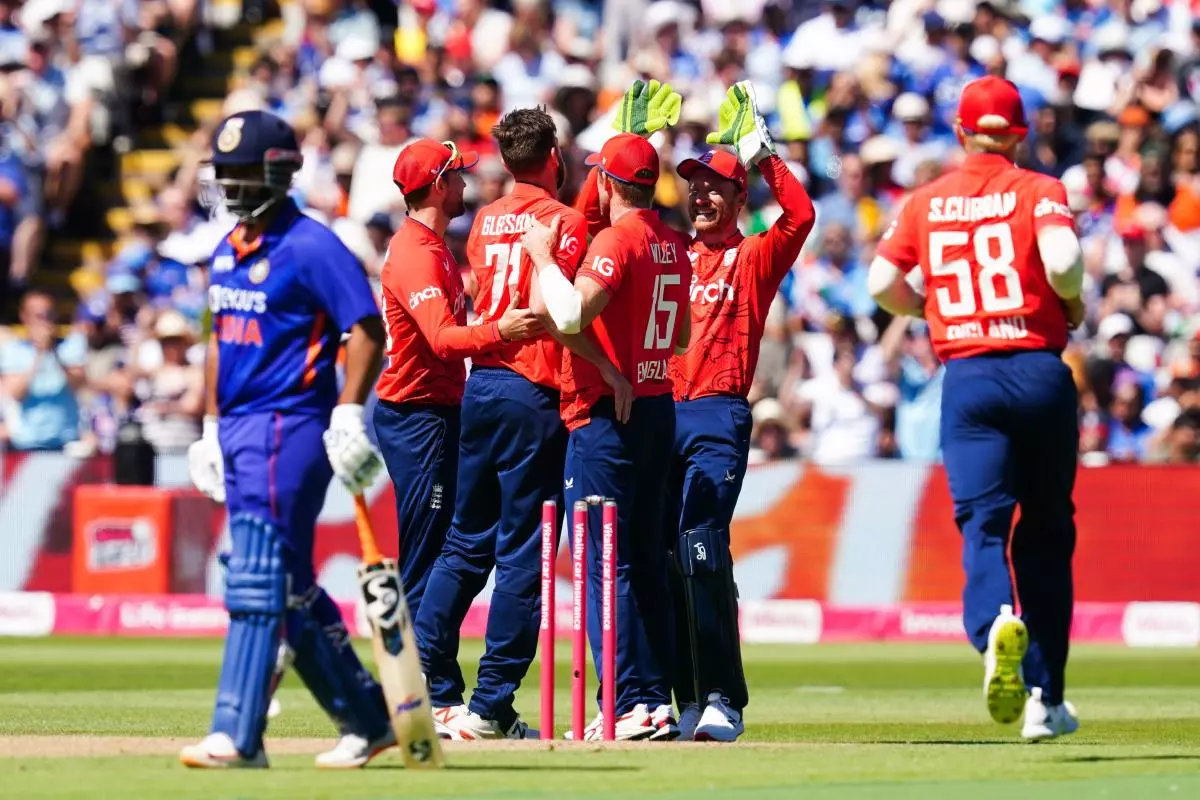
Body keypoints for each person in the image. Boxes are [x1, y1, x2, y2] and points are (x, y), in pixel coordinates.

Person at [868, 76, 1084, 742]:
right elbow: (1067, 261)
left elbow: (881, 284)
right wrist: (1069, 303)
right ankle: (1045, 700)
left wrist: (929, 308)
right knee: (1046, 532)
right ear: (1020, 134)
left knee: (982, 528)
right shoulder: (1040, 190)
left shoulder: (928, 200)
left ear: (961, 133)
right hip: (1038, 368)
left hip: (967, 377)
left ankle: (993, 627)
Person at [180, 110, 394, 769]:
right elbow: (219, 342)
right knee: (290, 582)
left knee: (256, 572)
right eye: (226, 175)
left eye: (245, 173)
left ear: (279, 171)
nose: (234, 187)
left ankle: (237, 734)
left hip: (291, 423)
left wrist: (349, 412)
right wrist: (211, 426)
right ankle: (368, 717)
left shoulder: (311, 245)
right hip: (240, 427)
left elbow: (366, 327)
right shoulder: (223, 250)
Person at [415, 108, 626, 740]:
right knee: (522, 555)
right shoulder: (559, 222)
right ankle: (490, 705)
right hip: (534, 392)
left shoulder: (483, 219)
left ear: (506, 161)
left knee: (463, 540)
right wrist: (608, 367)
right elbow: (549, 311)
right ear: (554, 156)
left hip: (482, 386)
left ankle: (425, 680)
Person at [521, 130, 692, 741]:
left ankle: (622, 703)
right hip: (656, 409)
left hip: (607, 421)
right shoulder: (673, 242)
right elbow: (678, 339)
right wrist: (628, 360)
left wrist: (542, 259)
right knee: (644, 560)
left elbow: (568, 314)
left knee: (603, 565)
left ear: (612, 183)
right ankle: (652, 700)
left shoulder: (616, 241)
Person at [662, 81, 815, 741]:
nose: (702, 194)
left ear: (738, 198)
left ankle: (724, 696)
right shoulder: (667, 254)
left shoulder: (753, 256)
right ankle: (685, 697)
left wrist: (761, 155)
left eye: (716, 186)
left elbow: (801, 215)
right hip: (660, 416)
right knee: (671, 559)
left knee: (699, 544)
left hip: (718, 416)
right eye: (694, 184)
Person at [373, 137, 542, 640]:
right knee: (427, 552)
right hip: (416, 416)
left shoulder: (433, 248)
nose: (464, 181)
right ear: (436, 186)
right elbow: (445, 340)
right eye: (455, 174)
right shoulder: (416, 254)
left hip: (434, 412)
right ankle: (413, 686)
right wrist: (502, 331)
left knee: (439, 546)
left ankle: (424, 682)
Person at [0, 291, 86, 451]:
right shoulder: (13, 350)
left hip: (66, 441)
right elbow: (15, 393)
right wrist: (39, 355)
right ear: (24, 317)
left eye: (49, 315)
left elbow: (78, 386)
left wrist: (54, 353)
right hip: (26, 441)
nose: (46, 322)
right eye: (39, 316)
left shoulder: (71, 346)